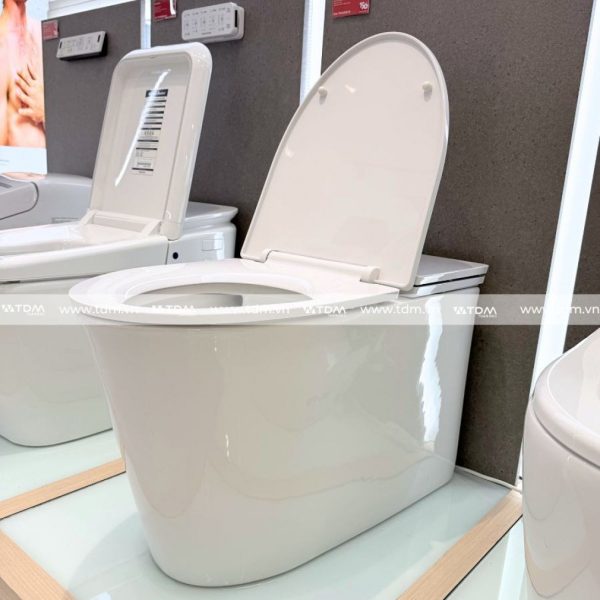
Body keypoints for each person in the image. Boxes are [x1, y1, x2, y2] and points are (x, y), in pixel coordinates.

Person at [0, 0, 45, 148]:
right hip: (16, 161)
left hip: (54, 157)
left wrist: (46, 111)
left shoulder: (43, 33)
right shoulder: (2, 42)